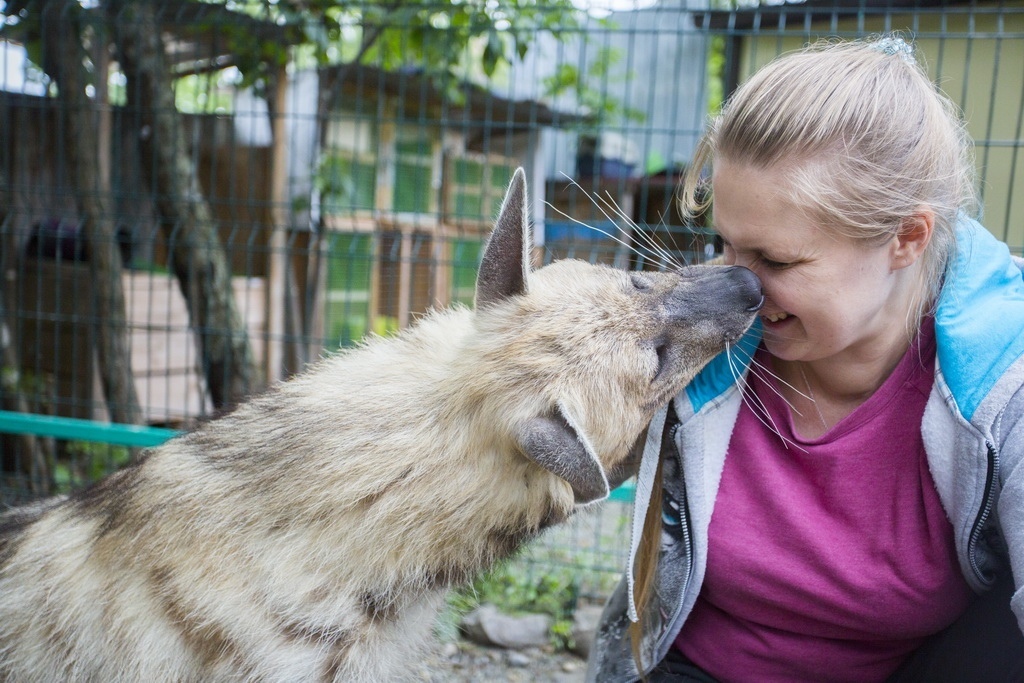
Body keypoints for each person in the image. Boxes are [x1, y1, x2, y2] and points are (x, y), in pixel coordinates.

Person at [586, 35, 1024, 682]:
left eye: (777, 260)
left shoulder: (1003, 373)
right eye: (727, 246)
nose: (734, 286)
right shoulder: (700, 334)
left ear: (906, 237)